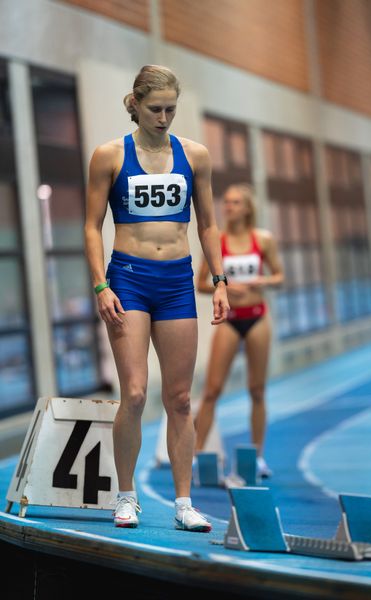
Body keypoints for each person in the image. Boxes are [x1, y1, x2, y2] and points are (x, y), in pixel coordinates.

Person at [84, 65, 229, 530]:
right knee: (134, 392)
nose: (164, 118)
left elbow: (207, 224)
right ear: (136, 105)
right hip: (128, 278)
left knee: (181, 398)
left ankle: (184, 503)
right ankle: (126, 496)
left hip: (176, 282)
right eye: (155, 109)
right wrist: (100, 285)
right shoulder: (109, 156)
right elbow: (90, 227)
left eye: (170, 109)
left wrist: (221, 279)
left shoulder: (195, 156)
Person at [194, 183, 284, 479]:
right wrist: (227, 286)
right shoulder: (216, 241)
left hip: (258, 317)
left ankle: (257, 457)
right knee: (212, 390)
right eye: (226, 202)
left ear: (247, 207)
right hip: (230, 319)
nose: (228, 207)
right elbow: (201, 284)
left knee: (257, 390)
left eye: (234, 203)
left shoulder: (263, 240)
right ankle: (194, 456)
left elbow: (280, 276)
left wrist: (262, 282)